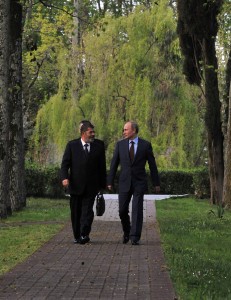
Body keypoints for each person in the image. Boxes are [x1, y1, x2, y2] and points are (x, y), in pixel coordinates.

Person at [107, 121, 160, 245]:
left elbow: (153, 165)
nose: (123, 132)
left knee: (137, 209)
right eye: (123, 130)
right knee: (122, 210)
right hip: (124, 183)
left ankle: (135, 236)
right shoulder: (120, 145)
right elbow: (114, 164)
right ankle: (127, 231)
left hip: (139, 183)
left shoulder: (145, 145)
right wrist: (109, 181)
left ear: (134, 130)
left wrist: (156, 183)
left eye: (126, 129)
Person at [61, 120, 106, 244]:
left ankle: (84, 234)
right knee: (76, 213)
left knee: (87, 212)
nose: (93, 134)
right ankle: (77, 235)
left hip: (92, 186)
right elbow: (65, 164)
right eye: (90, 132)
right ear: (83, 133)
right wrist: (64, 178)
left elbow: (102, 166)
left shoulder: (99, 145)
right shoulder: (72, 145)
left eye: (93, 132)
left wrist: (103, 184)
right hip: (75, 186)